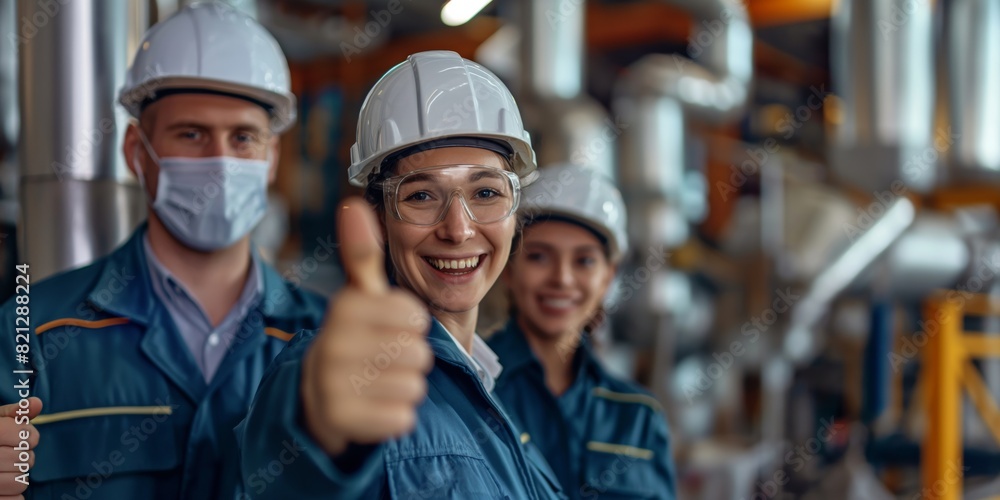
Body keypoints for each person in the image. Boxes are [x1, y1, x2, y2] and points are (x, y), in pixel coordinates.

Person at [0, 3, 326, 498]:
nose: (220, 161)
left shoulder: (327, 341)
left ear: (271, 157)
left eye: (243, 138)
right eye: (191, 134)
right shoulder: (30, 332)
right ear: (136, 152)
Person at [238, 50, 565, 499]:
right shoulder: (349, 370)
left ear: (514, 213)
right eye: (421, 197)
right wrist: (317, 421)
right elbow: (294, 457)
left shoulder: (492, 394)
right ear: (378, 219)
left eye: (486, 192)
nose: (458, 229)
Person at [488, 163, 678, 499]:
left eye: (584, 261)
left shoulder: (638, 418)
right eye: (539, 257)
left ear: (607, 277)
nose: (562, 279)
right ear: (508, 268)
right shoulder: (472, 390)